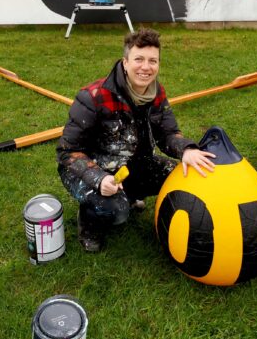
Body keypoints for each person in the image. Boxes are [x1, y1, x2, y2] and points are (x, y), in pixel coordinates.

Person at [57, 28, 216, 252]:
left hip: (132, 165)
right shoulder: (94, 97)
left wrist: (187, 150)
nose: (146, 67)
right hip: (92, 170)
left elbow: (168, 133)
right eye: (139, 59)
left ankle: (130, 193)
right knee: (117, 211)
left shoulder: (156, 92)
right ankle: (89, 222)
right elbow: (67, 152)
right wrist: (99, 178)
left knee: (183, 174)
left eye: (153, 61)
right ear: (125, 62)